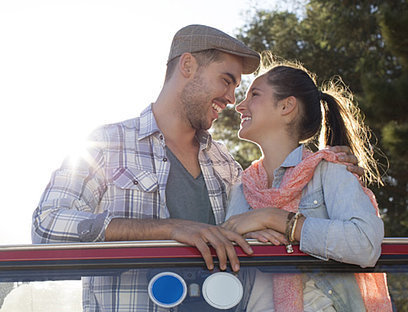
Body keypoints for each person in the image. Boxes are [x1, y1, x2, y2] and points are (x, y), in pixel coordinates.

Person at [31, 25, 362, 311]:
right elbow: (46, 226)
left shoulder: (229, 168)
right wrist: (169, 229)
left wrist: (326, 168)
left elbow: (282, 217)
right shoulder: (105, 144)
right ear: (187, 65)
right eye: (226, 80)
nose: (233, 98)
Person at [222, 58, 391, 311]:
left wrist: (277, 219)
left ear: (287, 106)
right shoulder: (242, 187)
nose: (240, 106)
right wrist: (247, 235)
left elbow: (365, 244)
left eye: (254, 94)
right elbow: (226, 246)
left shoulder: (330, 171)